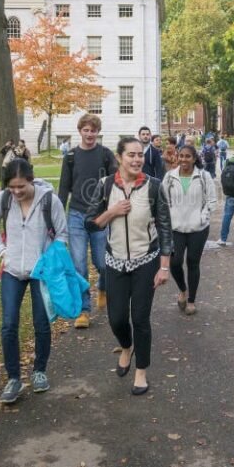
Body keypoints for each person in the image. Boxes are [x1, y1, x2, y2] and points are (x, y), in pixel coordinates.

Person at [84, 138, 172, 396]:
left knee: (140, 318)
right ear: (120, 157)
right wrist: (111, 212)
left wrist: (164, 266)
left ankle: (141, 371)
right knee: (117, 318)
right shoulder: (105, 186)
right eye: (131, 155)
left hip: (146, 260)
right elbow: (90, 223)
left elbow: (165, 227)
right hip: (116, 262)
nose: (136, 160)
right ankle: (126, 347)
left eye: (140, 155)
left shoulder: (154, 187)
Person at [0, 159, 68, 404]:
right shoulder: (2, 200)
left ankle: (39, 371)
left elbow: (63, 234)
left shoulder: (50, 201)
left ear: (31, 180)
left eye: (21, 186)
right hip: (11, 270)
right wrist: (3, 251)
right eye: (12, 187)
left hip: (40, 272)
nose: (17, 192)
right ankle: (13, 378)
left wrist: (50, 257)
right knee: (9, 324)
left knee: (41, 324)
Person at [58, 114, 117, 329]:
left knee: (102, 262)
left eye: (93, 130)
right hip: (76, 215)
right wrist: (56, 216)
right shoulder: (71, 156)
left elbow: (116, 182)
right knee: (79, 265)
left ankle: (103, 285)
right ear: (80, 131)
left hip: (100, 216)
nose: (90, 134)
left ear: (97, 132)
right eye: (86, 130)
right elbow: (64, 187)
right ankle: (83, 310)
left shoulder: (106, 154)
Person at [161, 145, 217, 316]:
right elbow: (162, 200)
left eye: (188, 157)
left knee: (193, 262)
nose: (184, 160)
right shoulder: (170, 177)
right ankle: (182, 290)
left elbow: (212, 200)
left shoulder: (203, 176)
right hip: (176, 228)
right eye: (181, 156)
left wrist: (203, 216)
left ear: (194, 159)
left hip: (197, 228)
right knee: (175, 262)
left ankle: (191, 300)